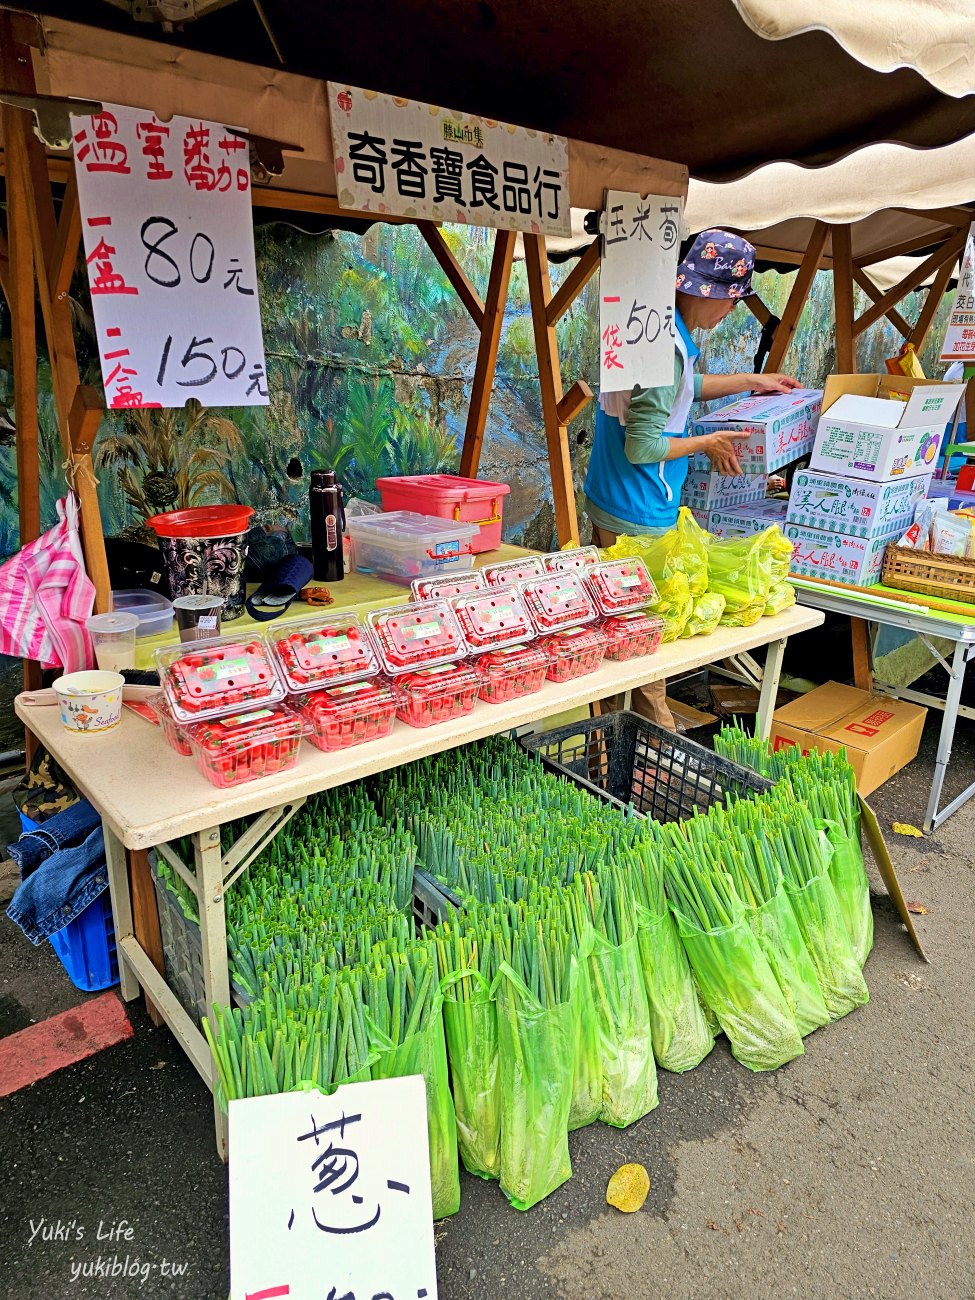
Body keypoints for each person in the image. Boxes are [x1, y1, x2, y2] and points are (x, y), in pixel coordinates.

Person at [584, 228, 801, 730]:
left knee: (627, 619)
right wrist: (707, 442)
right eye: (729, 301)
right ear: (707, 292)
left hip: (610, 493)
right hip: (638, 506)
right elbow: (643, 446)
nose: (728, 313)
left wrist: (753, 380)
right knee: (647, 630)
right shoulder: (668, 349)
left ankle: (633, 727)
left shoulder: (655, 328)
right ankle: (655, 739)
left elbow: (683, 390)